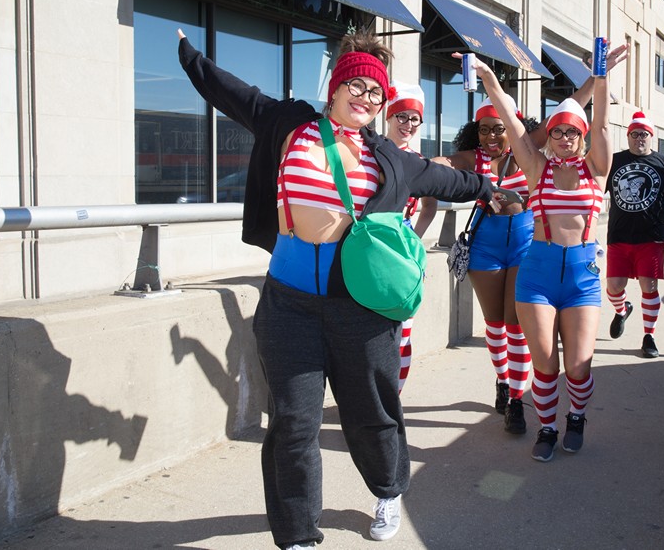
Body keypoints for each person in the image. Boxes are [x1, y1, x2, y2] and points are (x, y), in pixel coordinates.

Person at [177, 28, 496, 549]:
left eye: (377, 93)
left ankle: (389, 489)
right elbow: (234, 94)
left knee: (372, 413)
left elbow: (445, 182)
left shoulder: (387, 156)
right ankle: (298, 534)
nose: (367, 99)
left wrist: (490, 189)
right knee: (293, 423)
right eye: (359, 87)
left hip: (362, 309)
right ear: (336, 87)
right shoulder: (292, 126)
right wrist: (191, 55)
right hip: (289, 305)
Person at [467, 44, 629, 461]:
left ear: (582, 135)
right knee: (545, 365)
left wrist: (599, 75)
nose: (562, 137)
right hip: (537, 273)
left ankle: (576, 415)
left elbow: (603, 121)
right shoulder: (537, 168)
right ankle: (548, 427)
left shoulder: (596, 168)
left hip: (581, 276)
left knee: (578, 366)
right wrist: (487, 77)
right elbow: (510, 120)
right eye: (556, 131)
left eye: (571, 131)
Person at [430, 98, 541, 435]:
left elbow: (563, 116)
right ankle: (503, 381)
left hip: (524, 245)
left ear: (514, 130)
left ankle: (517, 402)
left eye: (499, 129)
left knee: (516, 324)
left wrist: (595, 79)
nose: (491, 136)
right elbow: (441, 162)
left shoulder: (528, 153)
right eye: (484, 130)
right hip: (486, 248)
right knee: (494, 325)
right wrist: (417, 162)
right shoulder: (472, 159)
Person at [605, 110, 664, 360]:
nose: (639, 138)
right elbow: (595, 191)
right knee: (613, 287)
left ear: (651, 137)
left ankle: (648, 336)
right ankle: (622, 310)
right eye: (634, 134)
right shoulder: (614, 161)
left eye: (643, 134)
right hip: (618, 236)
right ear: (628, 136)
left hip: (651, 236)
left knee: (648, 287)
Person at [384, 82, 438, 393]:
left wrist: (414, 240)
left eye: (414, 119)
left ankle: (394, 395)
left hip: (403, 248)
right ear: (389, 117)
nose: (407, 125)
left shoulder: (420, 162)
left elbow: (429, 207)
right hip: (369, 247)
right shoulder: (369, 150)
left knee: (403, 329)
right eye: (401, 117)